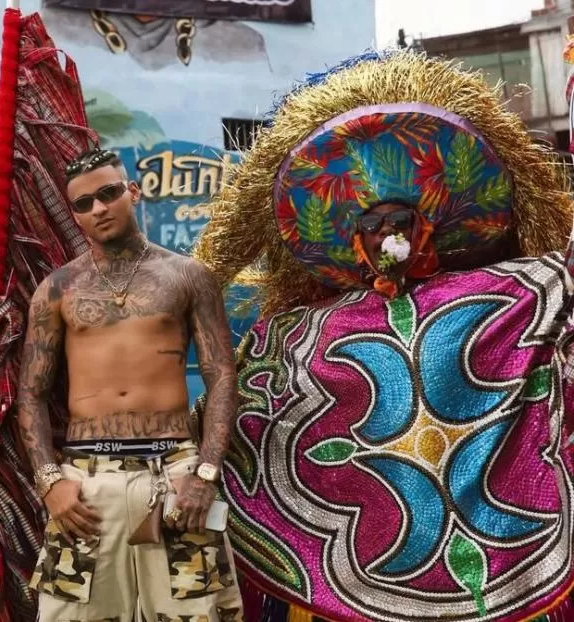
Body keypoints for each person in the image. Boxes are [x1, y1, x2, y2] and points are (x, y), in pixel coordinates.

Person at [191, 49, 574, 621]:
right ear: (352, 241)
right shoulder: (298, 332)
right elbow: (257, 405)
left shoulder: (507, 293)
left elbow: (558, 278)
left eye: (401, 224)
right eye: (372, 228)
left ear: (429, 229)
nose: (387, 238)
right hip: (358, 549)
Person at [17, 147, 243, 620]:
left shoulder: (188, 276)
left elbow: (221, 373)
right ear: (75, 214)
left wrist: (205, 474)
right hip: (86, 486)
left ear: (132, 192)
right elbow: (32, 393)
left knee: (195, 614)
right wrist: (50, 482)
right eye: (84, 203)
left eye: (108, 193)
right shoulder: (58, 289)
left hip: (176, 479)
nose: (98, 208)